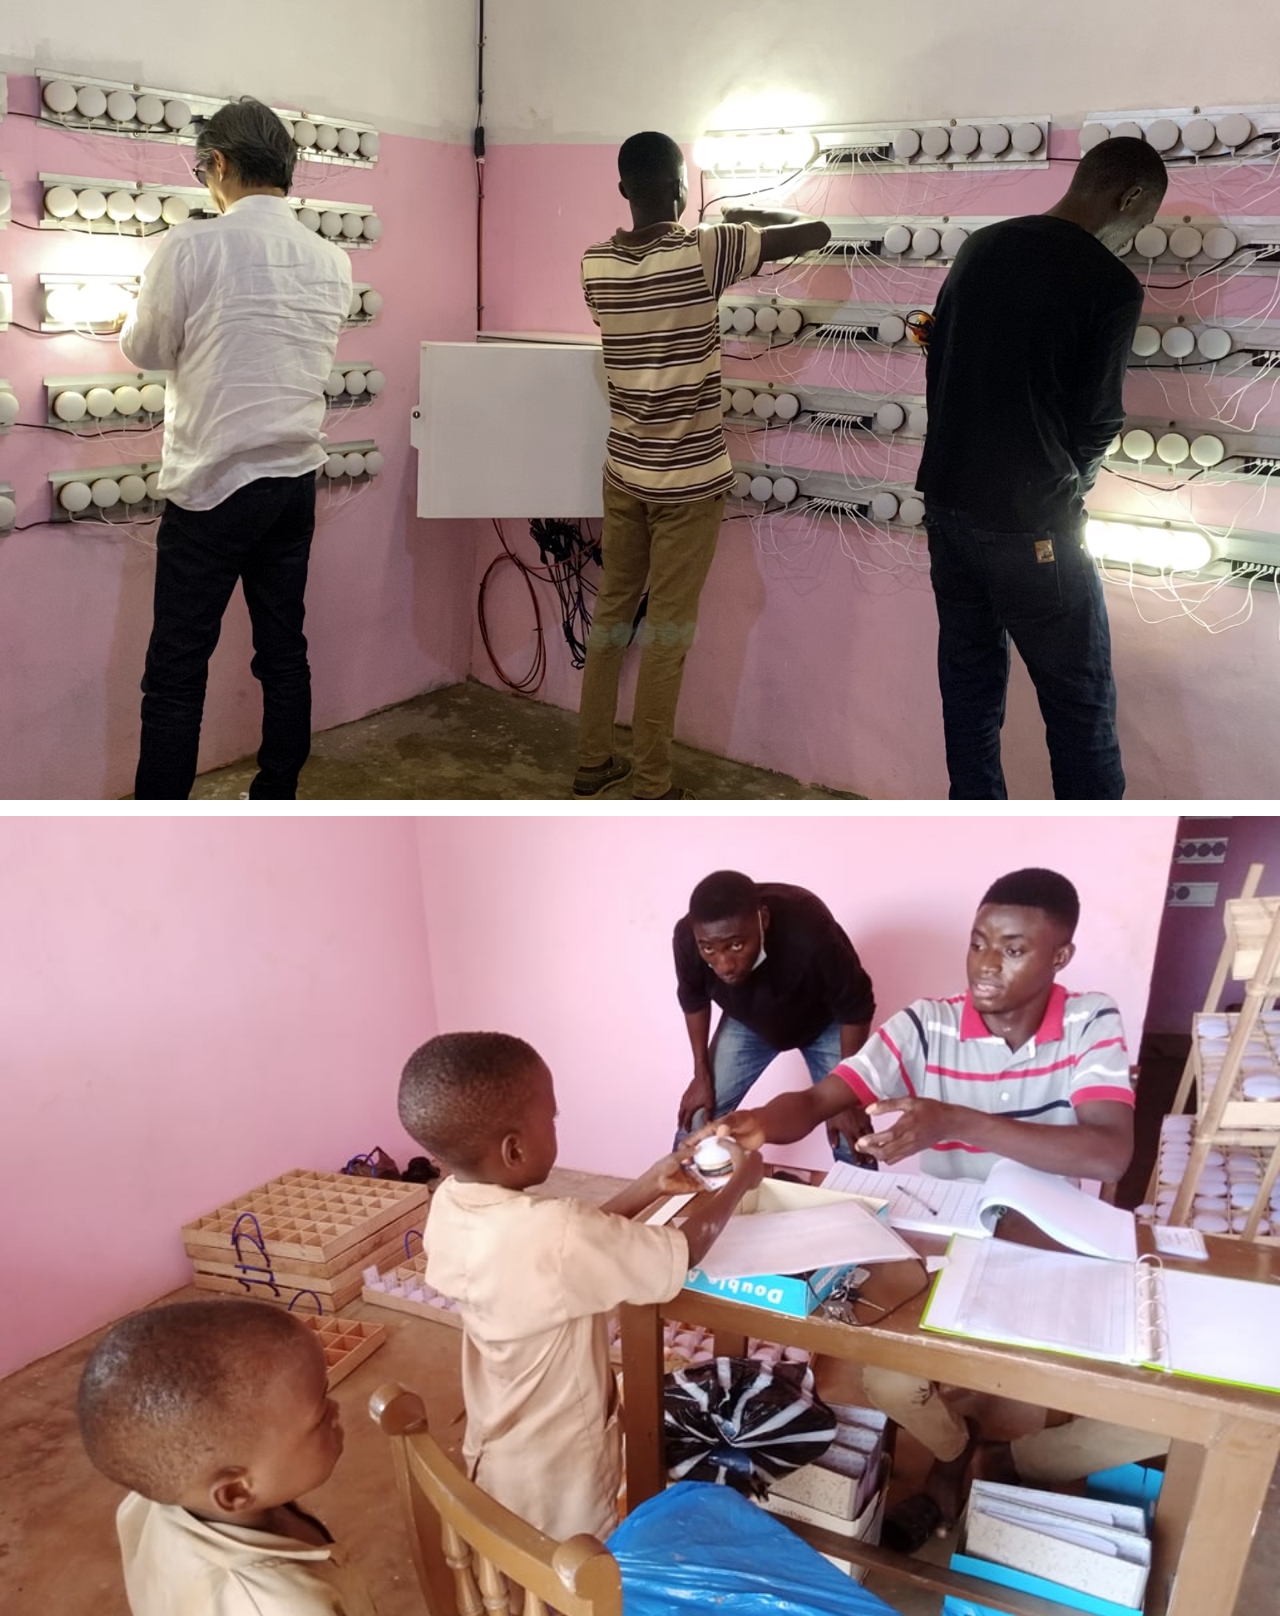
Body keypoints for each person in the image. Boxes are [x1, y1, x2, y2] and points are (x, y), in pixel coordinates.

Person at [699, 868, 1165, 1542]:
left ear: (1059, 956)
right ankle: (953, 1455)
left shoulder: (1090, 1020)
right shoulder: (927, 1024)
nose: (986, 965)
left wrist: (956, 1119)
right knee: (889, 1383)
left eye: (1013, 948)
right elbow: (821, 1099)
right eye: (978, 943)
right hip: (954, 1243)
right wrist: (760, 1124)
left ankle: (1015, 1461)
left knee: (1154, 1416)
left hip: (1055, 1249)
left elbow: (1108, 1153)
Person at [398, 1031, 762, 1540]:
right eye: (552, 1117)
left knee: (522, 1554)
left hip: (500, 1444)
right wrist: (743, 1179)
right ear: (514, 1148)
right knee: (570, 1576)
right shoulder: (556, 1233)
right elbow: (684, 1251)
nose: (556, 1124)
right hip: (562, 1465)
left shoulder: (453, 1205)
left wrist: (649, 1185)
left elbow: (562, 1251)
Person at [574, 132, 831, 799]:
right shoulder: (705, 250)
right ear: (683, 190)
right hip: (689, 483)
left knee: (611, 619)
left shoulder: (594, 265)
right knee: (667, 632)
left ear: (625, 189)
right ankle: (652, 779)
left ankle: (591, 761)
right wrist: (743, 224)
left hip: (624, 471)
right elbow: (818, 231)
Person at [915, 137, 1169, 801]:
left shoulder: (982, 246)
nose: (1134, 237)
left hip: (945, 505)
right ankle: (1091, 849)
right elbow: (1099, 421)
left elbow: (937, 361)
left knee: (968, 693)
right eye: (1142, 223)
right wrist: (1064, 493)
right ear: (1130, 196)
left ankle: (974, 826)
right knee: (1080, 705)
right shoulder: (1110, 284)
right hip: (1034, 523)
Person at [121, 97, 353, 800]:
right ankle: (275, 797)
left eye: (203, 170)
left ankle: (162, 822)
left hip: (214, 482)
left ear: (218, 164)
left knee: (177, 670)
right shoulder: (331, 259)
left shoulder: (192, 245)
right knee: (283, 654)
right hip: (293, 479)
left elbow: (147, 348)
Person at [77, 1298, 374, 1616]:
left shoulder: (154, 1502)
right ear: (235, 1491)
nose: (337, 1410)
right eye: (318, 1416)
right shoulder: (281, 1607)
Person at [673, 870, 876, 1163]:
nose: (724, 965)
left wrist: (848, 1095)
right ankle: (675, 1205)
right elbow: (694, 1001)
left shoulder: (811, 931)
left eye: (736, 945)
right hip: (748, 1021)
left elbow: (857, 1007)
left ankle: (864, 1206)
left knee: (850, 1129)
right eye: (709, 950)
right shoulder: (688, 937)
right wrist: (700, 1074)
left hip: (823, 1021)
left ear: (763, 919)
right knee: (699, 1115)